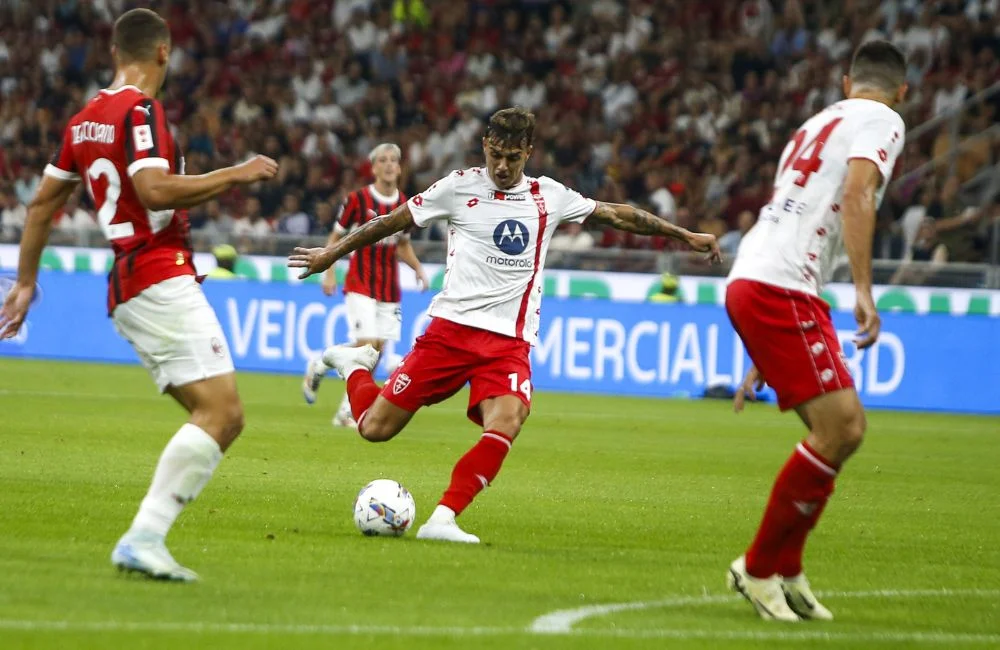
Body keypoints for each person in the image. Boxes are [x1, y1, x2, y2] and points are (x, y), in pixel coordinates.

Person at [290, 108, 721, 544]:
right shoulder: (458, 187)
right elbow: (389, 222)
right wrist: (330, 255)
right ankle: (351, 365)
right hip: (450, 332)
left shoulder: (549, 196)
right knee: (374, 429)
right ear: (484, 147)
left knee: (508, 418)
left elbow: (620, 215)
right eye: (495, 154)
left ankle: (443, 518)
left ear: (528, 153)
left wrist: (684, 235)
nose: (501, 166)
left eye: (512, 157)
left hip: (508, 342)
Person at [0, 8, 278, 581]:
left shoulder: (83, 122)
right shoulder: (141, 110)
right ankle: (143, 537)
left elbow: (41, 206)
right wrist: (236, 173)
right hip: (156, 273)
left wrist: (27, 282)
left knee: (216, 414)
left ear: (113, 54)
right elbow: (153, 191)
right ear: (163, 53)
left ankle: (144, 538)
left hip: (131, 283)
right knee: (223, 413)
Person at [724, 40, 907, 621]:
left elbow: (799, 212)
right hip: (782, 286)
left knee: (838, 435)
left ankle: (786, 567)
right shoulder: (885, 119)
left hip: (760, 277)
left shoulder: (817, 121)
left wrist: (764, 348)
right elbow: (858, 194)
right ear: (901, 91)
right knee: (844, 427)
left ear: (846, 82)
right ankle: (757, 567)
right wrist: (863, 290)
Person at [303, 142, 430, 428]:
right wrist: (330, 271)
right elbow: (335, 239)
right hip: (360, 283)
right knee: (365, 345)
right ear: (373, 168)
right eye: (382, 160)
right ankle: (348, 411)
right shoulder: (357, 200)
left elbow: (402, 245)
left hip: (389, 288)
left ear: (399, 167)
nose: (388, 165)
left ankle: (323, 369)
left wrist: (418, 268)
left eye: (393, 160)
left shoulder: (406, 204)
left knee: (375, 354)